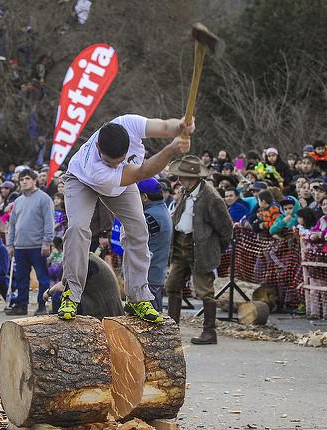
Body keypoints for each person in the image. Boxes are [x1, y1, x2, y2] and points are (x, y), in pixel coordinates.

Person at [58, 114, 194, 322]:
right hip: (81, 180)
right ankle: (71, 293)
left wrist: (182, 125)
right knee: (78, 228)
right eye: (109, 162)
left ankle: (138, 297)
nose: (114, 165)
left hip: (123, 182)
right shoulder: (96, 169)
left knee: (138, 228)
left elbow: (166, 126)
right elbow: (141, 172)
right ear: (99, 151)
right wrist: (171, 151)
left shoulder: (128, 123)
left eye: (119, 161)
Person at [165, 156, 233, 345]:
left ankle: (209, 331)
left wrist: (215, 248)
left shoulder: (211, 198)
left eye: (184, 177)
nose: (180, 180)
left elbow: (226, 228)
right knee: (172, 285)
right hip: (180, 245)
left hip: (200, 249)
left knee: (204, 290)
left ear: (194, 178)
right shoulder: (185, 193)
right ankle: (172, 329)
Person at [6, 169, 55, 316]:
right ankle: (22, 305)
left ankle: (42, 305)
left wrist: (47, 242)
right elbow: (12, 224)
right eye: (21, 180)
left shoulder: (44, 199)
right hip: (20, 246)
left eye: (27, 179)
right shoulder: (18, 201)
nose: (24, 182)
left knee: (42, 277)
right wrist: (10, 244)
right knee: (21, 277)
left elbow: (49, 222)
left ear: (35, 180)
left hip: (38, 246)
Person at [138, 177, 172, 313]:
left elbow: (134, 240)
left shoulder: (149, 216)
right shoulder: (161, 210)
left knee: (151, 321)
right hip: (155, 273)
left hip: (149, 276)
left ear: (145, 197)